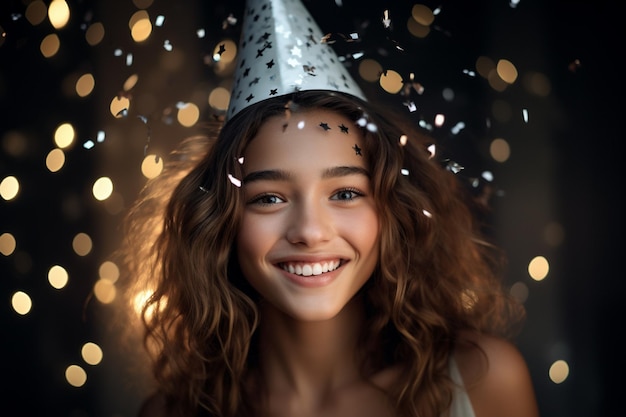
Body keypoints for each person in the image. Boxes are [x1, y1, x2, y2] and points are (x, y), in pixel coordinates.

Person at [118, 1, 540, 417]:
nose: (311, 231)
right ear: (219, 221)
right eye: (269, 198)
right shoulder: (173, 412)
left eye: (345, 193)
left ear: (393, 206)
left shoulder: (482, 380)